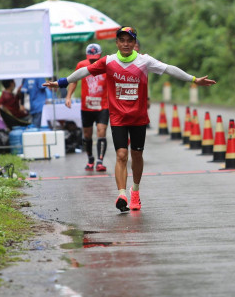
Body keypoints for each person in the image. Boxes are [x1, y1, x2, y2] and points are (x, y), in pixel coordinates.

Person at [44, 26, 216, 212]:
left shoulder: (144, 61)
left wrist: (194, 79)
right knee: (121, 155)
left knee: (137, 155)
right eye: (122, 40)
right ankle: (121, 194)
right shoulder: (108, 61)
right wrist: (61, 82)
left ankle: (135, 191)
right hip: (118, 117)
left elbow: (168, 69)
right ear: (117, 43)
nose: (126, 44)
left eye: (130, 40)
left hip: (139, 118)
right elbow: (85, 71)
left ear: (135, 43)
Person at [65, 43, 110, 172]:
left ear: (100, 56)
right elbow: (74, 80)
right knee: (87, 135)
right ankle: (90, 159)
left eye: (95, 58)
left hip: (103, 105)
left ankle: (100, 161)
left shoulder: (106, 65)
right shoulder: (81, 65)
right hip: (87, 106)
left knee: (101, 131)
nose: (93, 61)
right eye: (91, 58)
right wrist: (68, 96)